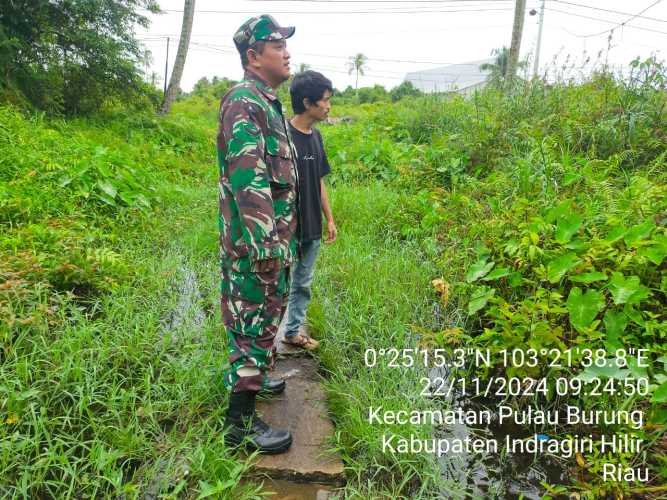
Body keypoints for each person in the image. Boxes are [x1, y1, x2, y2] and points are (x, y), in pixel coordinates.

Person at [217, 14, 299, 454]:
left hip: (273, 242)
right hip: (256, 246)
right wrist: (266, 244)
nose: (286, 52)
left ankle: (259, 377)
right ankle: (239, 427)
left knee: (267, 316)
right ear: (253, 56)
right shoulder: (243, 101)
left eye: (286, 44)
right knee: (249, 323)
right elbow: (249, 178)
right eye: (277, 45)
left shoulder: (266, 101)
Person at [281, 71, 337, 350]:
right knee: (277, 284)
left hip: (312, 224)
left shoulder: (316, 137)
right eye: (325, 101)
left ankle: (292, 332)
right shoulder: (282, 136)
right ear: (307, 102)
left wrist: (330, 219)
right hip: (286, 227)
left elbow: (319, 180)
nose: (328, 106)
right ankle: (265, 340)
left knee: (303, 282)